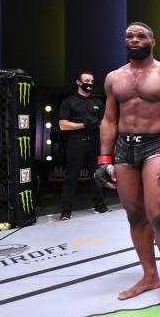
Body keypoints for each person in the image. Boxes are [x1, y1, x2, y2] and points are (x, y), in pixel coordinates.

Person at [95, 22, 160, 302]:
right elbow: (109, 120)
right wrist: (103, 159)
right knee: (134, 215)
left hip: (155, 145)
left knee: (157, 212)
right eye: (129, 36)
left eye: (141, 36)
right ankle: (149, 275)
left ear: (153, 41)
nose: (134, 40)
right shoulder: (114, 78)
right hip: (124, 148)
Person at [58, 70, 110, 220]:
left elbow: (105, 123)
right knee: (71, 177)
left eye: (92, 82)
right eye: (86, 81)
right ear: (79, 82)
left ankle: (100, 206)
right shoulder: (69, 101)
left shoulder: (97, 103)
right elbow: (63, 125)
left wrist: (97, 125)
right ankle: (66, 212)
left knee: (97, 175)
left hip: (94, 143)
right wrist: (83, 125)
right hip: (75, 143)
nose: (89, 84)